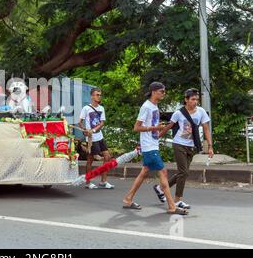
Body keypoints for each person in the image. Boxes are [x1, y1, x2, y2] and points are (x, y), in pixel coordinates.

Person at [122, 82, 188, 215]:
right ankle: (171, 206)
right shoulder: (146, 107)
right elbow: (136, 127)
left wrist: (158, 129)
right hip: (149, 146)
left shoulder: (154, 107)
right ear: (153, 92)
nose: (164, 93)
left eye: (164, 91)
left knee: (144, 172)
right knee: (163, 172)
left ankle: (128, 199)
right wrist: (154, 128)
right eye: (162, 91)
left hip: (151, 144)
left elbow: (151, 127)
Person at [153, 88, 213, 209]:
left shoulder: (201, 111)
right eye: (192, 99)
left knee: (183, 173)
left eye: (197, 99)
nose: (195, 102)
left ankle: (160, 188)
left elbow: (206, 128)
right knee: (184, 172)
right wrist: (156, 138)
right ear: (186, 100)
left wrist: (210, 146)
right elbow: (169, 126)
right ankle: (177, 200)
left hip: (192, 146)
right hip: (179, 144)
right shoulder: (179, 113)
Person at [78, 87, 114, 189]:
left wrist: (94, 129)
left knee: (107, 157)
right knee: (90, 160)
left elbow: (102, 122)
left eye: (100, 94)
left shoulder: (101, 108)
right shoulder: (86, 108)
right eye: (97, 94)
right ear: (92, 96)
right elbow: (79, 122)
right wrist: (84, 130)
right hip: (91, 138)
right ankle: (88, 182)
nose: (99, 96)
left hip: (99, 136)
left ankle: (103, 181)